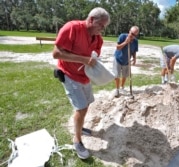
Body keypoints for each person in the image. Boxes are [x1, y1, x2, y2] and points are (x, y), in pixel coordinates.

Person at [52, 7, 110, 159]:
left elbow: (94, 56)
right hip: (69, 74)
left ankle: (79, 126)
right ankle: (77, 140)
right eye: (101, 26)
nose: (102, 30)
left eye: (104, 27)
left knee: (87, 104)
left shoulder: (98, 39)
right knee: (81, 107)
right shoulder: (72, 28)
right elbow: (56, 53)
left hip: (84, 76)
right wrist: (83, 59)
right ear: (91, 20)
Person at [113, 26, 139, 97]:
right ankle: (117, 90)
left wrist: (134, 58)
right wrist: (125, 42)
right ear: (129, 31)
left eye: (134, 35)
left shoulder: (135, 41)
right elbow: (118, 47)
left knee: (125, 75)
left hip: (127, 60)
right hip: (118, 58)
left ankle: (122, 87)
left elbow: (134, 51)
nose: (132, 35)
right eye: (131, 33)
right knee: (117, 75)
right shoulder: (122, 36)